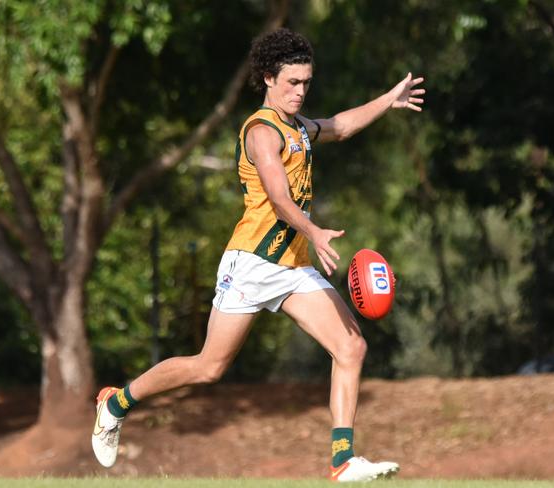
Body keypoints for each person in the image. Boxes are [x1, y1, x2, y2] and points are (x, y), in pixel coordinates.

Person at [92, 27, 425, 482]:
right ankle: (115, 403)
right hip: (252, 263)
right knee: (208, 368)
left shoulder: (300, 127)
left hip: (293, 266)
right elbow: (279, 196)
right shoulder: (261, 132)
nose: (301, 91)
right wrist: (314, 229)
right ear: (268, 77)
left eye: (306, 82)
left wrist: (389, 99)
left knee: (351, 347)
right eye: (292, 82)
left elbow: (341, 126)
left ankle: (343, 460)